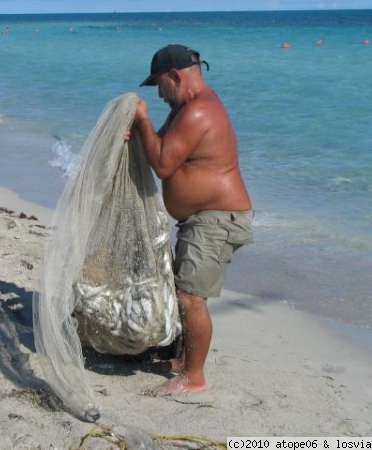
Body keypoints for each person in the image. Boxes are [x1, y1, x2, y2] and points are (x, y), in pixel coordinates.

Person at [131, 44, 253, 395]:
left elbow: (164, 165)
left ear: (175, 75)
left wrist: (141, 120)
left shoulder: (198, 112)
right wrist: (139, 133)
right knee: (183, 291)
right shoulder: (184, 109)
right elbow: (161, 148)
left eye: (159, 84)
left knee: (189, 298)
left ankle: (194, 377)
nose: (158, 93)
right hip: (201, 219)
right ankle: (184, 361)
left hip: (217, 219)